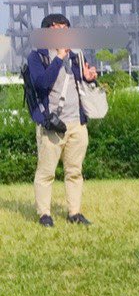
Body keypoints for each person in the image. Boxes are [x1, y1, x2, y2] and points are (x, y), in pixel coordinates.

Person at [25, 13, 100, 227]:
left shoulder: (76, 56)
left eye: (65, 27)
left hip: (77, 122)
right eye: (57, 27)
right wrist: (58, 58)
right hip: (52, 124)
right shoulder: (37, 56)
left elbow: (80, 84)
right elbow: (41, 84)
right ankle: (44, 214)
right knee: (46, 172)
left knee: (74, 171)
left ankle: (74, 213)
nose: (63, 31)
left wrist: (89, 77)